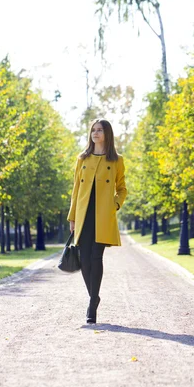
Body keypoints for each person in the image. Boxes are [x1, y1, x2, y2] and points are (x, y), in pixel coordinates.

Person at [67, 119, 127, 324]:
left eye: (99, 130)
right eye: (93, 130)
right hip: (84, 215)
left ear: (107, 134)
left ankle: (92, 302)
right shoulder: (82, 159)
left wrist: (115, 205)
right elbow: (75, 191)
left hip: (103, 215)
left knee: (95, 257)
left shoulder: (116, 160)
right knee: (84, 259)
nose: (95, 133)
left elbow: (122, 189)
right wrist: (72, 217)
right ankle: (94, 296)